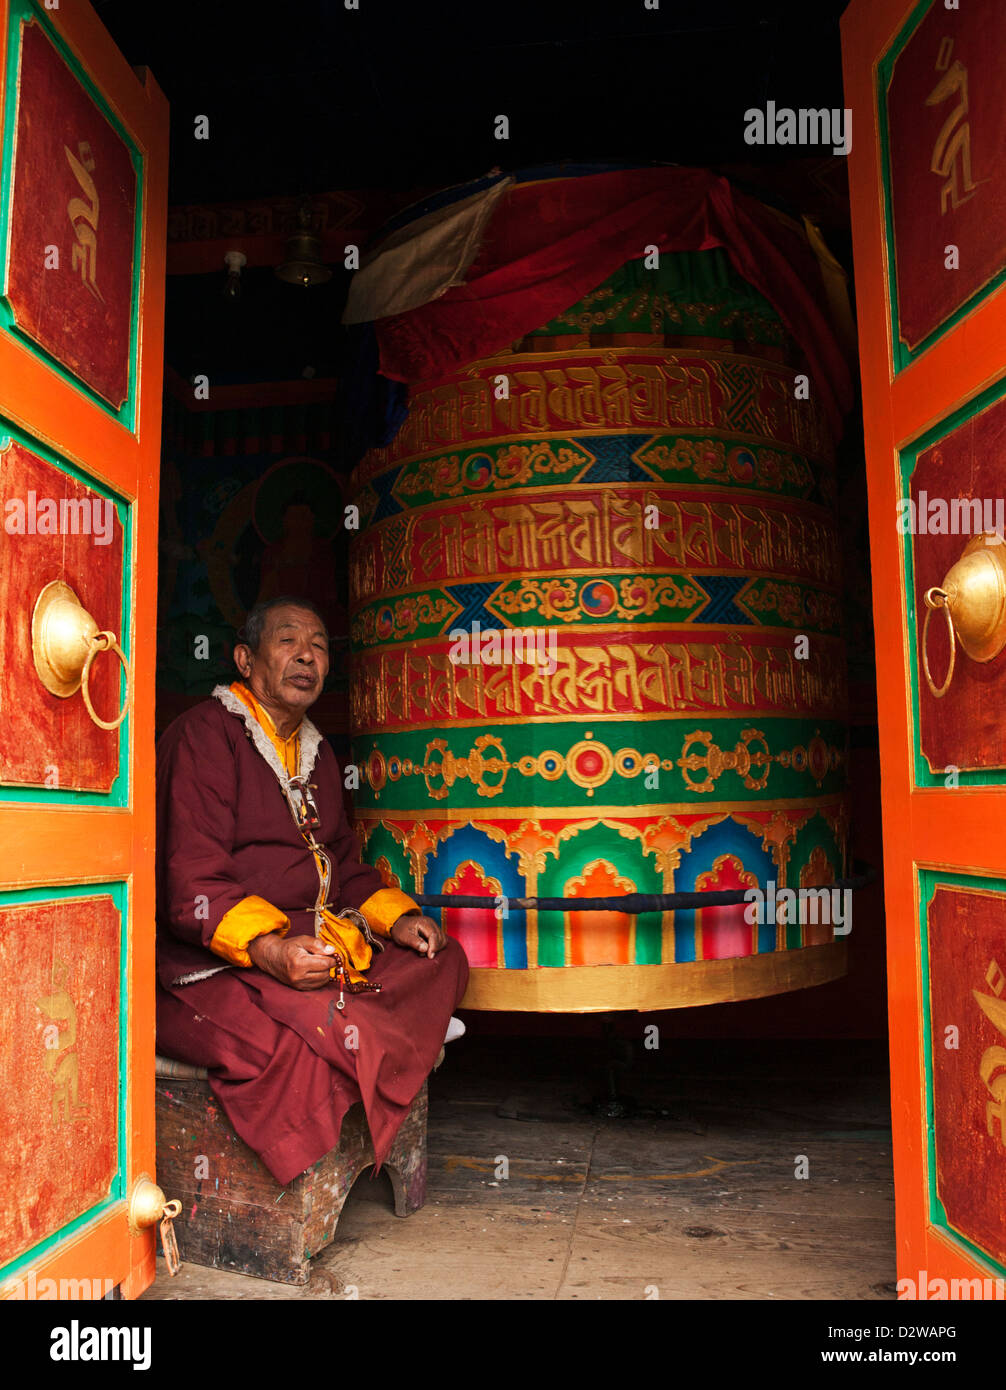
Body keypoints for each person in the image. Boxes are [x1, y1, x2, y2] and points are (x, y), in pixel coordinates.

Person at [155, 596, 469, 1185]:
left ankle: (387, 1029)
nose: (307, 657)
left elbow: (343, 863)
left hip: (322, 945)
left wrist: (396, 920)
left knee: (442, 958)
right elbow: (190, 882)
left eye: (320, 645)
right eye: (288, 641)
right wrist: (272, 950)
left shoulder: (317, 751)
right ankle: (394, 1032)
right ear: (245, 659)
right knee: (324, 1023)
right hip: (220, 959)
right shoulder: (204, 735)